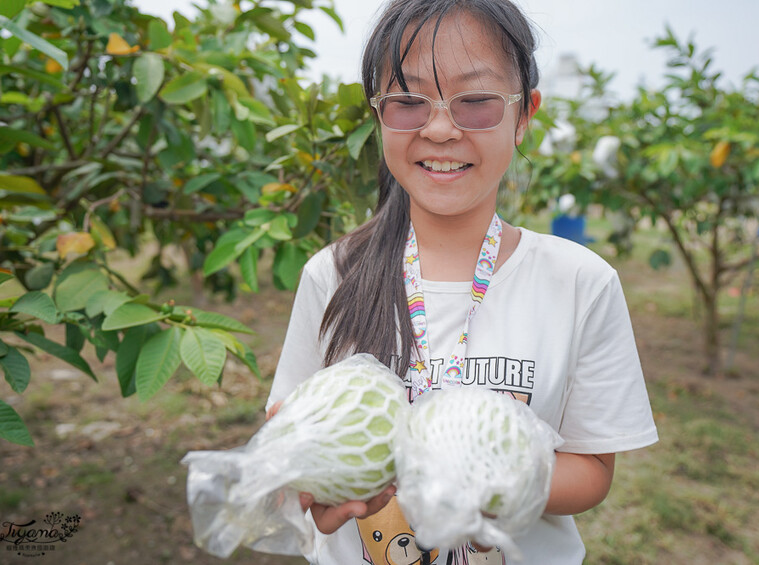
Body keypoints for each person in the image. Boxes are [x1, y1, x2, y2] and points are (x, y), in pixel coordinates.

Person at [266, 0, 659, 563]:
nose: (442, 128)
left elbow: (592, 469)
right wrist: (306, 468)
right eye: (408, 102)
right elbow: (295, 446)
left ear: (526, 115)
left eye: (476, 102)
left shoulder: (580, 282)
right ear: (378, 115)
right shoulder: (332, 274)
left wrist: (479, 482)